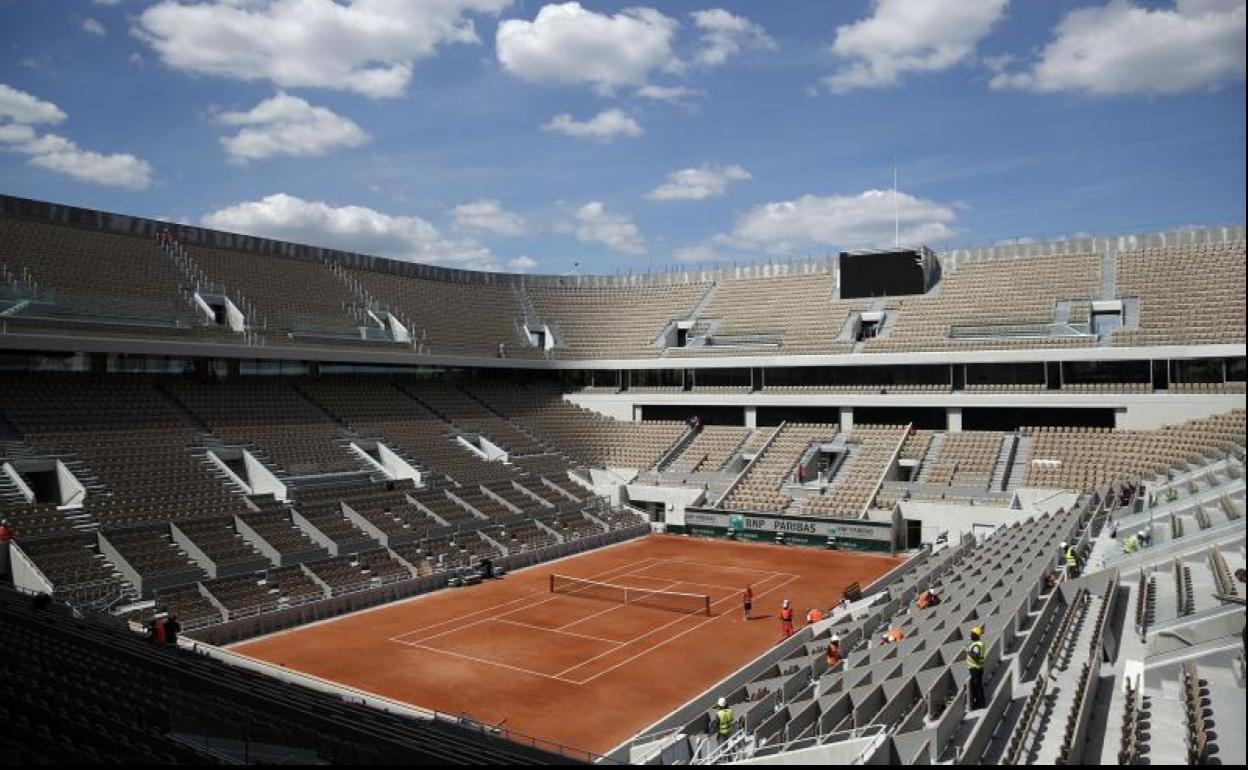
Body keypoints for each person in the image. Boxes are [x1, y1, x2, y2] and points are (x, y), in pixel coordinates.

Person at [966, 625, 987, 709]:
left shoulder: (977, 645)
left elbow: (976, 656)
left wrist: (968, 651)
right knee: (977, 686)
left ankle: (981, 704)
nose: (971, 635)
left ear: (976, 635)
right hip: (978, 668)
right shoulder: (978, 644)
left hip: (976, 668)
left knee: (977, 686)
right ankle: (979, 702)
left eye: (972, 634)